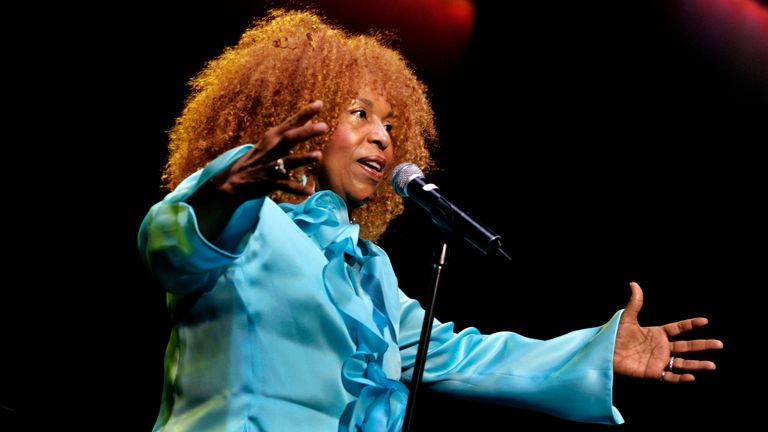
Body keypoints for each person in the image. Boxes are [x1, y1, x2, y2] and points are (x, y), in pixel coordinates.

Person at [138, 9, 723, 432]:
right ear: (296, 116)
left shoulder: (369, 272)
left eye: (391, 123)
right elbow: (172, 248)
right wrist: (223, 194)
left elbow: (464, 356)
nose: (383, 137)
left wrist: (596, 352)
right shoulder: (242, 212)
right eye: (360, 113)